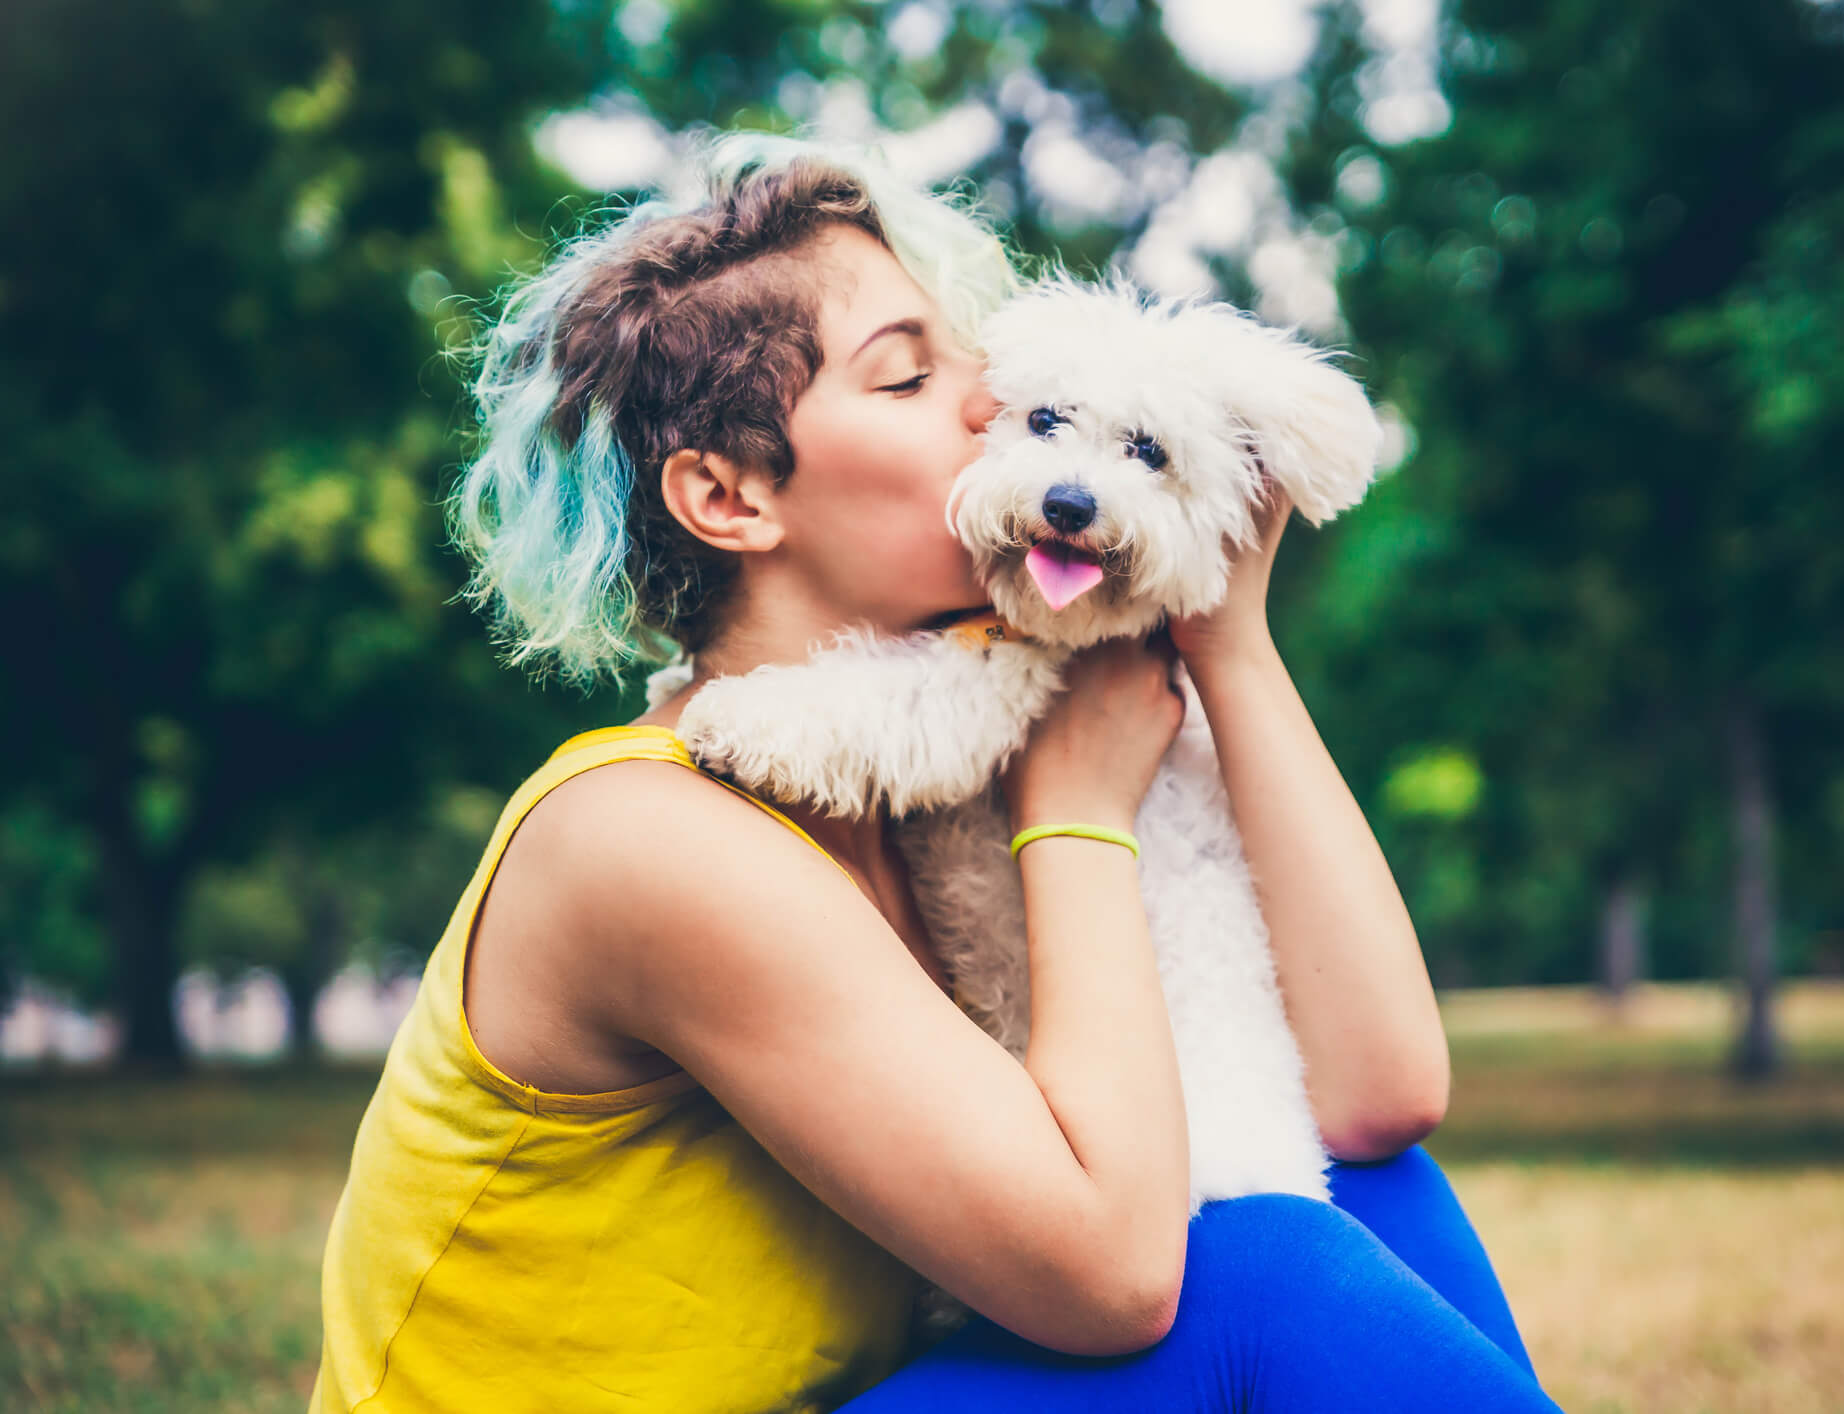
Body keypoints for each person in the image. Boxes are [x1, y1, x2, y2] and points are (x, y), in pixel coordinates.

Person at [306, 128, 1561, 1413]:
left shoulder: (949, 761)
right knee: (1261, 1265)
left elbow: (1380, 1097)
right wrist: (1076, 808)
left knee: (1371, 1189)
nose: (984, 403)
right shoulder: (644, 833)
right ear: (729, 497)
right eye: (907, 376)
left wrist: (1227, 644)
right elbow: (1119, 1278)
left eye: (976, 359)